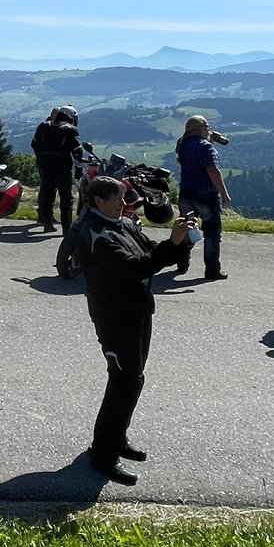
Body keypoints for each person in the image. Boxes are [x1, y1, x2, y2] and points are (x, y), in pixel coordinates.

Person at [69, 174, 192, 485]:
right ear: (98, 201)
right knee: (124, 381)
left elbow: (151, 252)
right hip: (114, 317)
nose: (124, 203)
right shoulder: (92, 232)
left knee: (133, 379)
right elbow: (134, 267)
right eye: (118, 199)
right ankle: (103, 455)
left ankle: (116, 437)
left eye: (124, 197)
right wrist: (170, 246)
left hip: (138, 310)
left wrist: (180, 241)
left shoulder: (124, 224)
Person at [174, 115, 233, 281]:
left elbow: (194, 159)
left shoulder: (182, 143)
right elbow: (213, 171)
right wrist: (224, 194)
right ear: (198, 129)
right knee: (212, 232)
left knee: (186, 228)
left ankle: (181, 263)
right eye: (207, 127)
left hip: (186, 192)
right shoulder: (206, 147)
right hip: (205, 194)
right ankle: (212, 270)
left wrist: (210, 140)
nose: (210, 129)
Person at [31, 106, 80, 232]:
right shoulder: (71, 130)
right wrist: (79, 168)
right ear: (71, 117)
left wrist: (41, 156)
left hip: (45, 165)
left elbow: (34, 144)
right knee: (66, 198)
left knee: (47, 195)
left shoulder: (44, 126)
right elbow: (77, 151)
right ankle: (66, 229)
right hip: (63, 167)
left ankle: (47, 223)